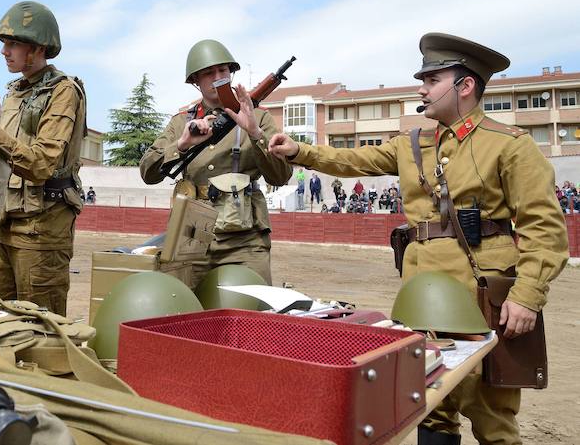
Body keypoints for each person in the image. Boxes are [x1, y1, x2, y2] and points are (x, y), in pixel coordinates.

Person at [267, 32, 568, 445]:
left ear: (465, 86)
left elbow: (544, 228)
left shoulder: (510, 146)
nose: (421, 89)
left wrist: (527, 294)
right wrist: (298, 151)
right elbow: (352, 159)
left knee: (491, 413)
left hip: (482, 298)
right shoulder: (412, 145)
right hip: (421, 298)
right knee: (429, 407)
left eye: (431, 80)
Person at [140, 39, 291, 286]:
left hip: (244, 242)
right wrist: (182, 144)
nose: (218, 77)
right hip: (191, 238)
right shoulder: (181, 123)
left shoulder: (259, 117)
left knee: (252, 312)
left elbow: (280, 176)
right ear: (195, 82)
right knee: (184, 313)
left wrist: (254, 133)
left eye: (223, 71)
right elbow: (148, 171)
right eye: (209, 73)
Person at [0, 1, 86, 316]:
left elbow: (41, 164)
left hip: (42, 228)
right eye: (3, 43)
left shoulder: (63, 91)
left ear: (38, 48)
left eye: (13, 43)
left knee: (42, 328)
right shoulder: (14, 92)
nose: (4, 51)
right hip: (4, 223)